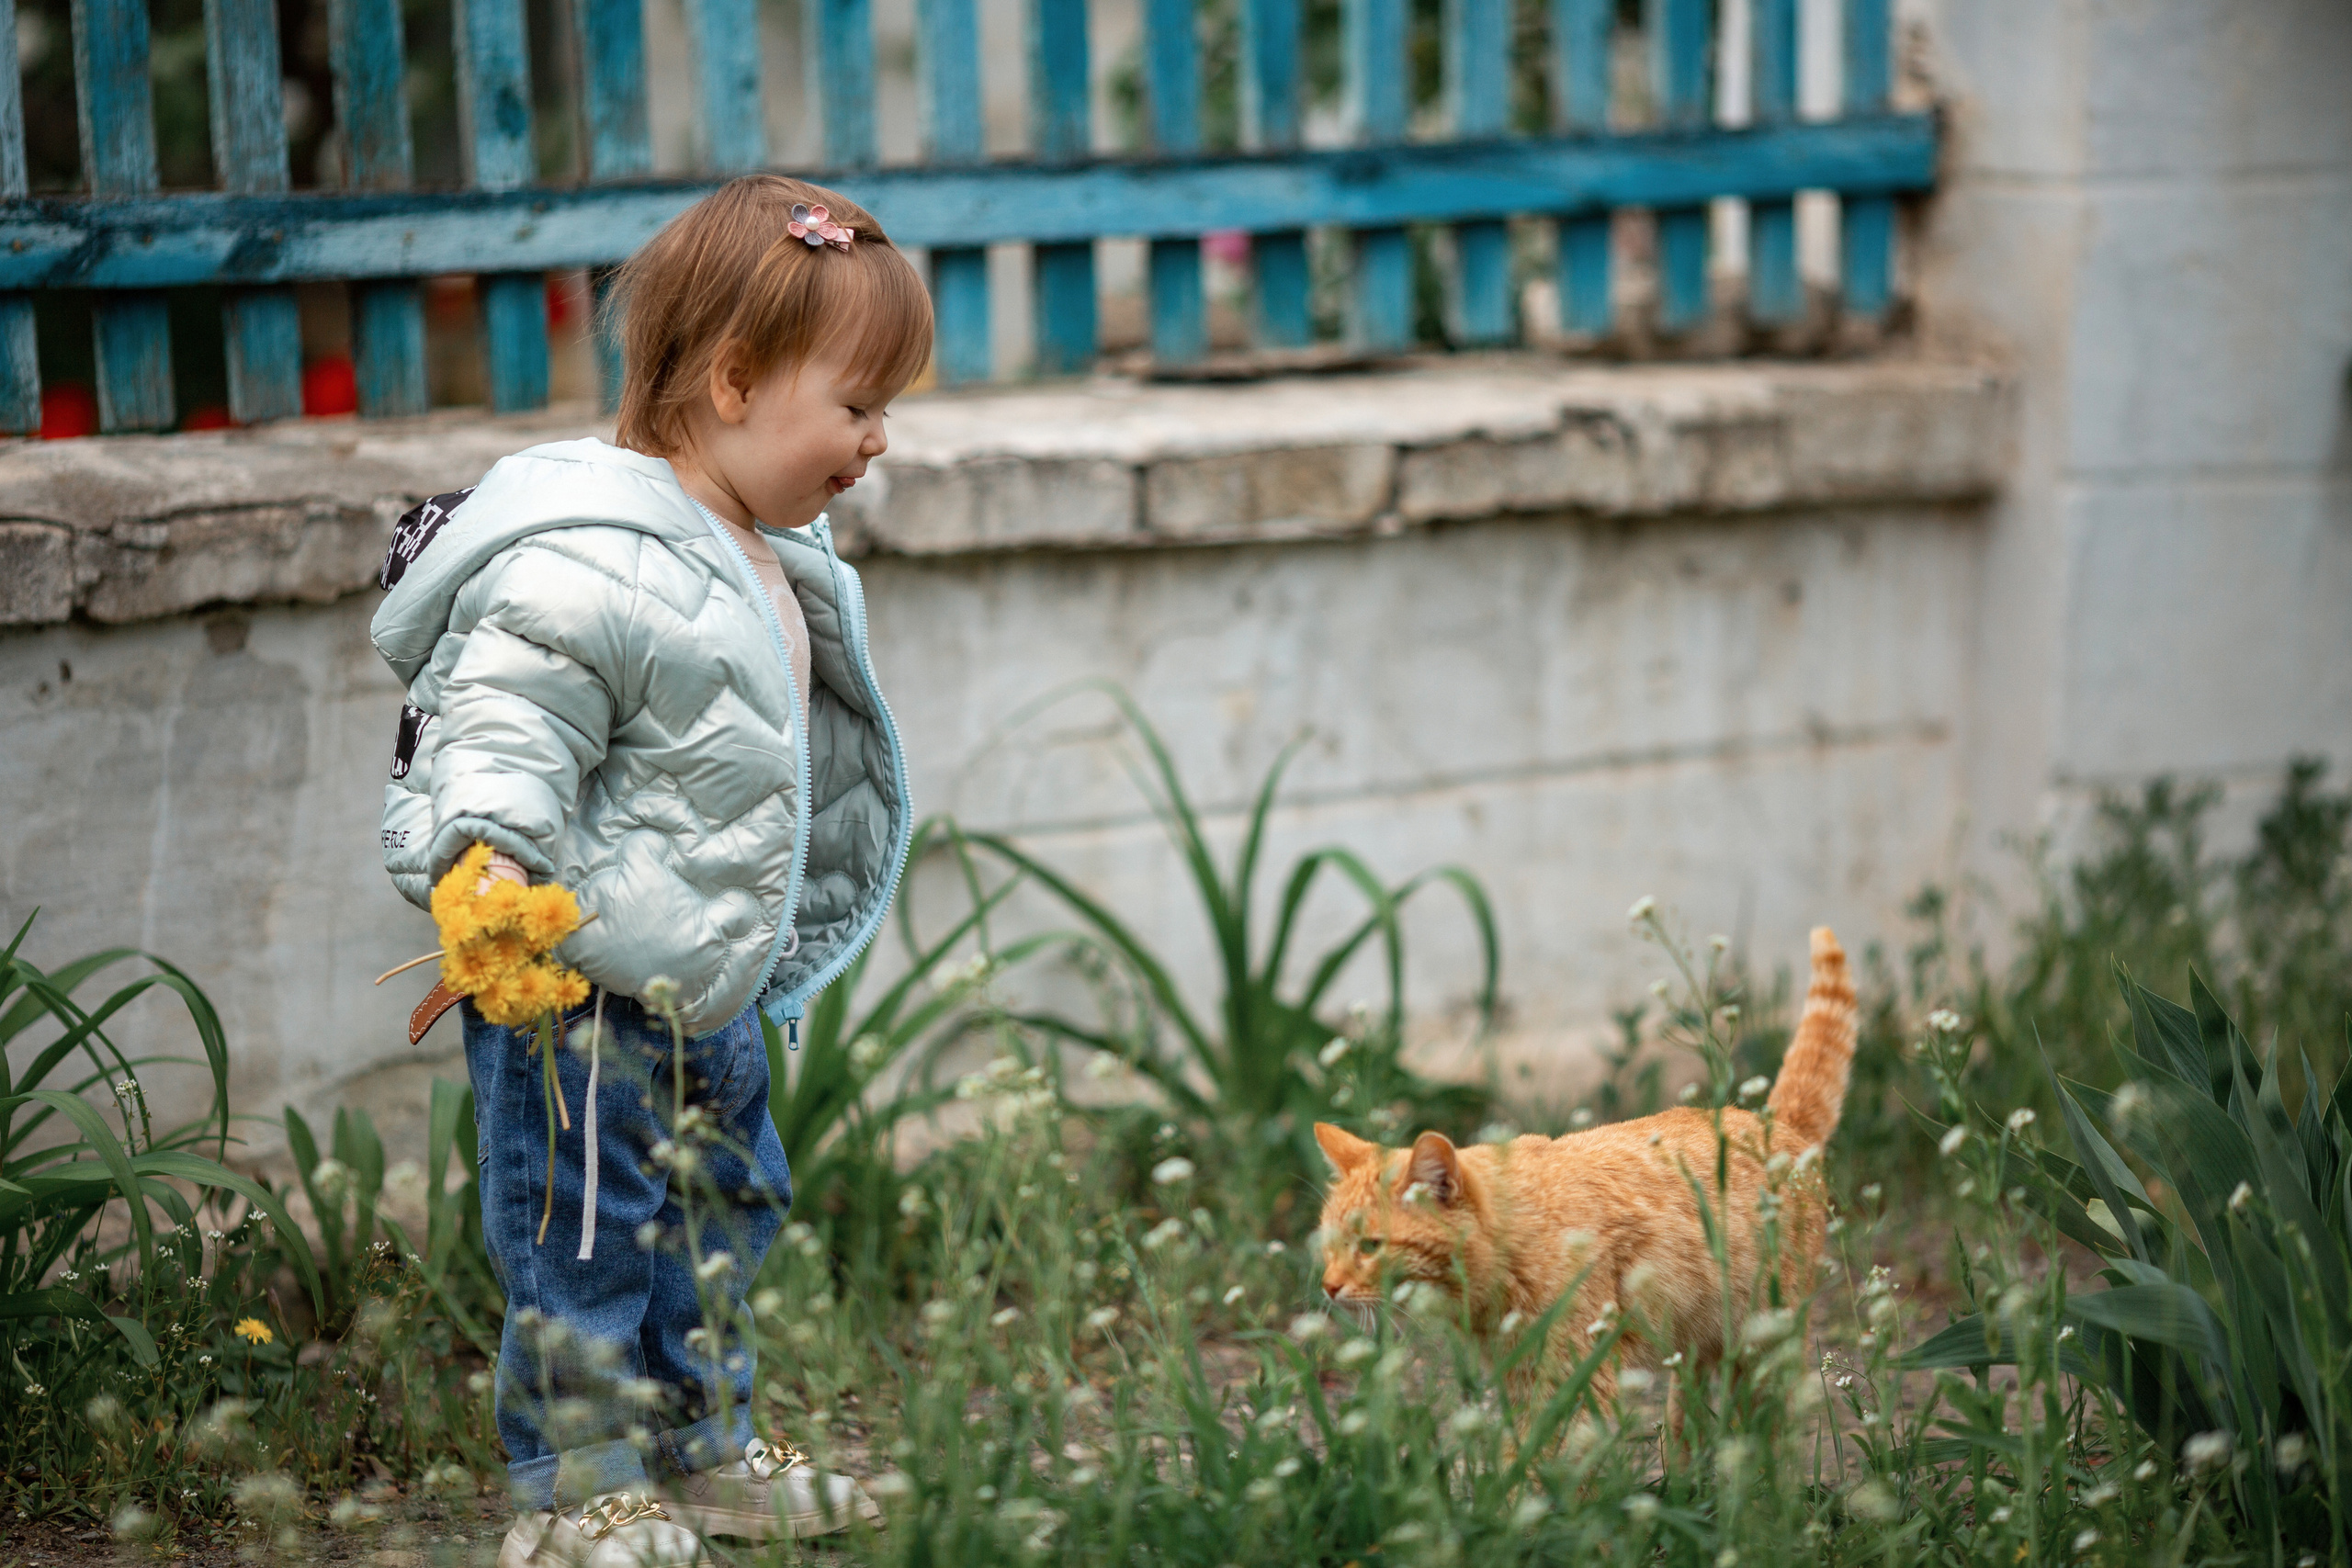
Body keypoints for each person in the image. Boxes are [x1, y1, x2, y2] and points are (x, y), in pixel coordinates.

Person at [371, 175, 929, 1568]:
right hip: (576, 985)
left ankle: (709, 1446)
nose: (877, 440)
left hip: (705, 986)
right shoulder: (587, 558)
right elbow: (505, 722)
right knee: (585, 1237)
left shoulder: (761, 547)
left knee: (724, 1207)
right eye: (857, 404)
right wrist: (489, 864)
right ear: (736, 381)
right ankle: (578, 1488)